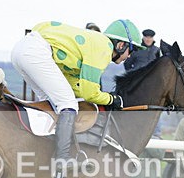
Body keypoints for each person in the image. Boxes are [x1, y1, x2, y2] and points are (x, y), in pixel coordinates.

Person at [10, 19, 140, 169]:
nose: (130, 56)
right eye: (132, 50)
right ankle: (62, 159)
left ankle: (43, 148)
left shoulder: (93, 44)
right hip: (36, 52)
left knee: (52, 101)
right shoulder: (104, 48)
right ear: (121, 45)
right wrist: (111, 99)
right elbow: (89, 93)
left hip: (21, 50)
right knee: (68, 104)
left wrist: (103, 98)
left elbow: (75, 86)